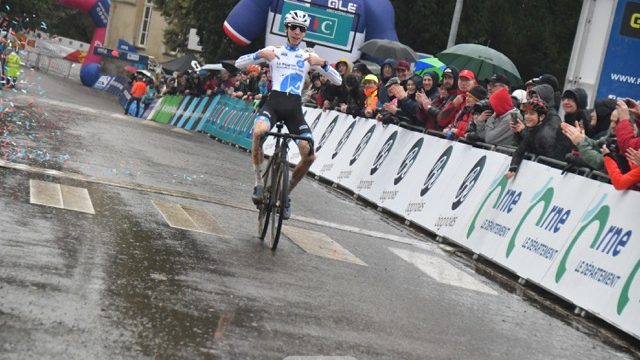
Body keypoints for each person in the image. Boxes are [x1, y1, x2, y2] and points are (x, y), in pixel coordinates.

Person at [235, 9, 341, 219]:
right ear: (286, 29)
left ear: (304, 33)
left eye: (301, 29)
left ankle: (285, 194)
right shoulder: (273, 50)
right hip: (273, 104)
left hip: (294, 109)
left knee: (309, 154)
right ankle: (258, 183)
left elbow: (338, 80)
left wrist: (324, 64)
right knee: (258, 132)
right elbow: (239, 63)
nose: (296, 32)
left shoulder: (308, 57)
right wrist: (259, 55)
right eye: (293, 27)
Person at [506, 99, 564, 179]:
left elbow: (554, 160)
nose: (527, 117)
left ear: (542, 117)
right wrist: (512, 168)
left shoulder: (546, 133)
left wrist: (523, 132)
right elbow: (519, 151)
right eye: (526, 113)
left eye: (531, 114)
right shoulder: (532, 131)